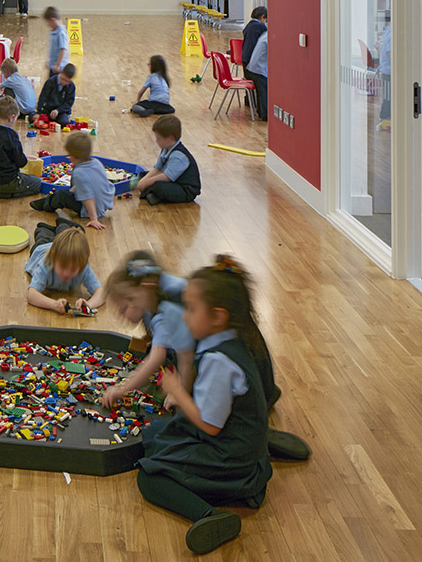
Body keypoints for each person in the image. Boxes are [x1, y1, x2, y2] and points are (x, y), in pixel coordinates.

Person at [134, 256, 274, 555]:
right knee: (152, 436)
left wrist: (177, 392)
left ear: (218, 316)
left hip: (229, 459)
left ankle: (211, 516)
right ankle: (264, 445)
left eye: (192, 309)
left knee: (150, 476)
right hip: (239, 442)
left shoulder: (219, 361)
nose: (184, 316)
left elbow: (210, 424)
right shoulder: (232, 338)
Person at [101, 252, 196, 408]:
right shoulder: (157, 290)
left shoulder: (169, 306)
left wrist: (181, 394)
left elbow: (182, 359)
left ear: (146, 286)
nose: (122, 317)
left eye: (125, 307)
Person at [29, 131, 114, 230]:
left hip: (92, 209)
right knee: (73, 187)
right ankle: (53, 198)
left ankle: (46, 204)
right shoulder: (96, 162)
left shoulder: (79, 173)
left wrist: (94, 218)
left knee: (62, 195)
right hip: (103, 204)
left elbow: (88, 197)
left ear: (72, 156)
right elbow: (96, 183)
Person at [25, 218, 105, 314]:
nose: (67, 273)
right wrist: (53, 304)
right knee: (42, 235)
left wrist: (88, 305)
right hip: (41, 248)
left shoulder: (83, 267)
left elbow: (101, 292)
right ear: (54, 260)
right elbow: (31, 294)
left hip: (58, 249)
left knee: (62, 235)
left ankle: (63, 224)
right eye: (63, 267)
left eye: (73, 269)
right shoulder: (46, 265)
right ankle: (44, 227)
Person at [0, 96, 42, 199]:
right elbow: (21, 162)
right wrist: (25, 158)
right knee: (37, 182)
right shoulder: (11, 135)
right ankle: (9, 194)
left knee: (20, 180)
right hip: (10, 181)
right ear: (11, 117)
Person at [136, 115, 201, 206]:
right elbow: (157, 168)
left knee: (159, 186)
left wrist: (146, 182)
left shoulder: (179, 156)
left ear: (170, 139)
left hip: (185, 190)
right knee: (143, 174)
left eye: (159, 139)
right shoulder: (166, 147)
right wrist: (144, 180)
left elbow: (166, 177)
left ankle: (152, 194)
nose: (156, 141)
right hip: (173, 181)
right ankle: (151, 193)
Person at [241, 7, 267, 106]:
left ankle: (249, 101)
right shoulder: (260, 27)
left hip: (244, 57)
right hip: (252, 58)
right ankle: (258, 106)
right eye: (265, 20)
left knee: (248, 81)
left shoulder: (248, 25)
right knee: (258, 84)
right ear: (262, 17)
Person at [247, 30, 268, 121]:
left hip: (253, 68)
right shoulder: (269, 38)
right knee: (263, 91)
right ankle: (265, 115)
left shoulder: (265, 35)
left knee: (260, 92)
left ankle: (261, 112)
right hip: (259, 69)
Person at [44, 6, 69, 75]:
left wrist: (58, 65)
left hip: (59, 68)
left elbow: (63, 49)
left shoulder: (61, 33)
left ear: (53, 20)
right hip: (53, 65)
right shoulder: (54, 32)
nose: (48, 25)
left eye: (48, 23)